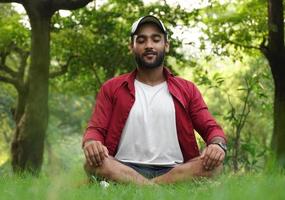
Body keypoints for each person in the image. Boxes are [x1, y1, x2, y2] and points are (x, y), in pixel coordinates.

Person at [82, 15, 227, 185]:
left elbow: (211, 128)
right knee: (92, 164)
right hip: (122, 166)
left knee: (215, 166)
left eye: (156, 39)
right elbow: (95, 129)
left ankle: (143, 186)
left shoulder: (187, 89)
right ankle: (157, 187)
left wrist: (217, 145)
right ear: (132, 47)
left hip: (175, 169)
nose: (149, 45)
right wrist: (91, 142)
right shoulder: (112, 88)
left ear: (166, 45)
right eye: (141, 40)